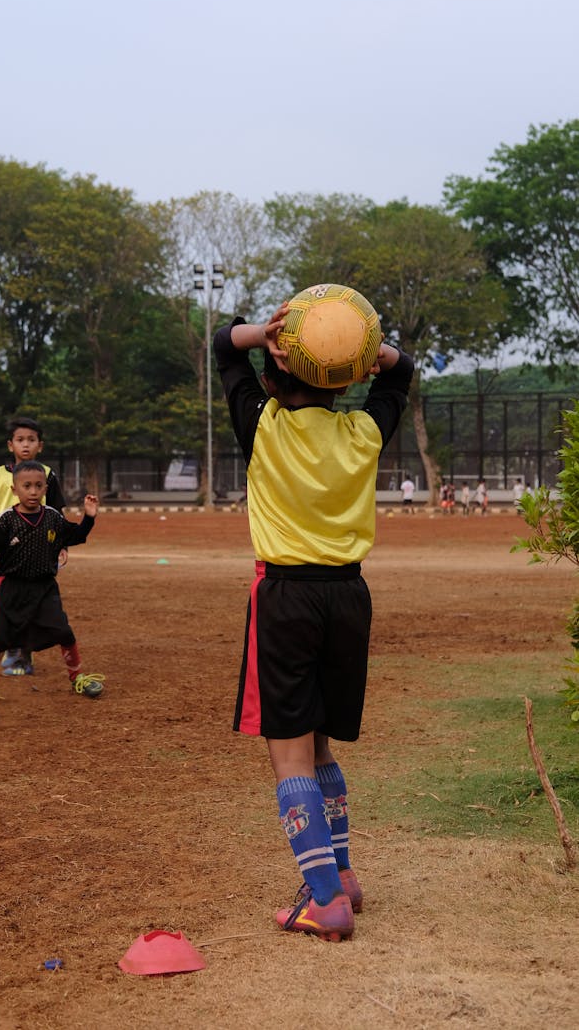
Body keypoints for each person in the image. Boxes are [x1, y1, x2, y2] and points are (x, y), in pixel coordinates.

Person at [214, 301, 413, 942]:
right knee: (321, 739)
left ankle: (324, 901)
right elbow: (398, 372)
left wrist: (266, 333)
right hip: (349, 597)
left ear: (273, 377)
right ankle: (343, 875)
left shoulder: (262, 425)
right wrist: (360, 348)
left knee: (290, 749)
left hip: (287, 596)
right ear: (346, 383)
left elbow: (224, 346)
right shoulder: (363, 433)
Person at [0, 460, 104, 709]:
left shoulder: (52, 517)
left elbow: (76, 536)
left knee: (64, 631)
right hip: (10, 588)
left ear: (45, 489)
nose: (33, 491)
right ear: (14, 489)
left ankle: (78, 677)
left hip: (44, 588)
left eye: (38, 486)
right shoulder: (5, 519)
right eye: (27, 486)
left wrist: (89, 518)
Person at [0, 416, 68, 676]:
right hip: (3, 552)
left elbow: (58, 512)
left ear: (39, 446)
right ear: (10, 445)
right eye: (20, 440)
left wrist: (61, 545)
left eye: (31, 440)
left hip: (36, 552)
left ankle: (23, 655)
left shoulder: (47, 475)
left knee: (32, 603)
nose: (25, 445)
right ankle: (9, 649)